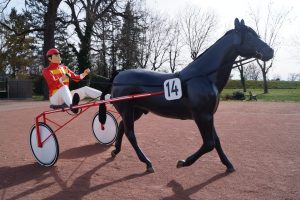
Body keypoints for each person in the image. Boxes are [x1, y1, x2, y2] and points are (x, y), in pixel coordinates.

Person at [42, 48, 108, 113]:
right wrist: (62, 79)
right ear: (50, 59)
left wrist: (84, 74)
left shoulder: (64, 68)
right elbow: (52, 84)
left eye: (59, 55)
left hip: (66, 97)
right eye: (56, 55)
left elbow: (76, 78)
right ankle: (73, 106)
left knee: (85, 89)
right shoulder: (46, 71)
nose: (59, 57)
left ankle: (108, 98)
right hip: (55, 98)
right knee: (64, 87)